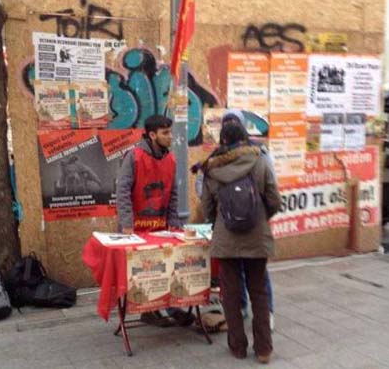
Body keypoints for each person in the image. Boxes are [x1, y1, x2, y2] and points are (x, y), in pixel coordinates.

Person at [201, 120, 281, 363]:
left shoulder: (212, 169)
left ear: (222, 140)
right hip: (257, 238)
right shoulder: (260, 160)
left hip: (227, 242)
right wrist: (260, 217)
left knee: (231, 295)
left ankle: (237, 347)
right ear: (245, 138)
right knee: (258, 292)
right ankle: (264, 350)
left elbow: (207, 208)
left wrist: (220, 224)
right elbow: (274, 199)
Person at [116, 114, 194, 328]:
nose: (170, 137)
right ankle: (148, 311)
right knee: (145, 270)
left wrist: (174, 222)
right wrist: (126, 224)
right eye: (165, 133)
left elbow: (173, 192)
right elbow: (122, 191)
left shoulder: (170, 159)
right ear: (152, 135)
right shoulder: (134, 156)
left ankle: (170, 307)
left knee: (167, 267)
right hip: (136, 226)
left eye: (170, 132)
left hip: (160, 226)